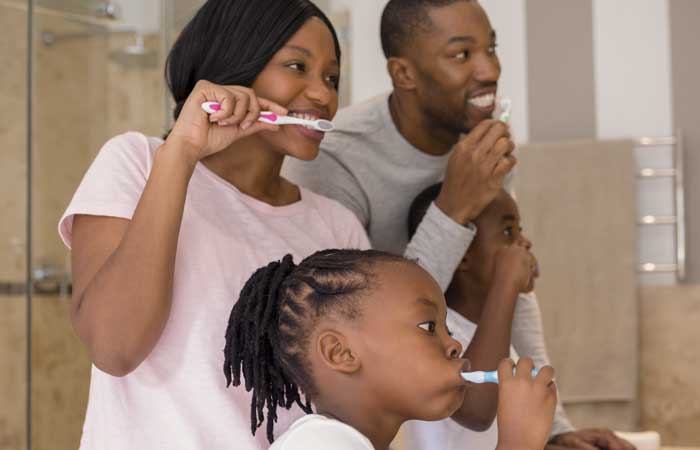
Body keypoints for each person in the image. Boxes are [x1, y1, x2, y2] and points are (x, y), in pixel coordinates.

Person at [283, 1, 636, 448]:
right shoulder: (335, 158)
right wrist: (453, 210)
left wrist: (553, 430)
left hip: (459, 395)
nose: (489, 70)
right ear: (404, 74)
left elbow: (506, 286)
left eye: (492, 48)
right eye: (462, 55)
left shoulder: (481, 143)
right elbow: (363, 317)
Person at [57, 1, 370, 448]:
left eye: (331, 77)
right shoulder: (139, 163)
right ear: (236, 62)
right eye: (297, 66)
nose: (323, 94)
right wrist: (182, 152)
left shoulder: (338, 228)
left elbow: (355, 402)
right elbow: (115, 347)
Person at [224, 249, 557, 450]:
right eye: (428, 327)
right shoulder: (319, 444)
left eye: (447, 329)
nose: (454, 344)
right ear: (340, 352)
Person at [404, 184, 637, 450]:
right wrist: (506, 283)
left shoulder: (498, 339)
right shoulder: (439, 336)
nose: (524, 243)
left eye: (520, 231)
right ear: (462, 255)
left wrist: (558, 441)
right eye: (508, 232)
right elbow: (476, 412)